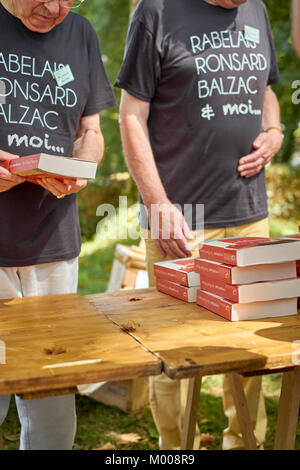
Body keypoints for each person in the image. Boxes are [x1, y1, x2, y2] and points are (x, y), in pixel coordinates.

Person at [116, 0, 283, 450]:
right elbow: (131, 113)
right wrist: (158, 204)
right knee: (174, 352)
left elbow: (265, 86)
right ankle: (175, 449)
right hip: (182, 216)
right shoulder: (157, 11)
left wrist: (275, 129)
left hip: (250, 211)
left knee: (250, 349)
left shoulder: (257, 10)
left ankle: (244, 443)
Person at [0, 0, 116, 450]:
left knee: (52, 409)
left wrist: (83, 166)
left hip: (55, 245)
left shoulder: (81, 33)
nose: (55, 8)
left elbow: (92, 131)